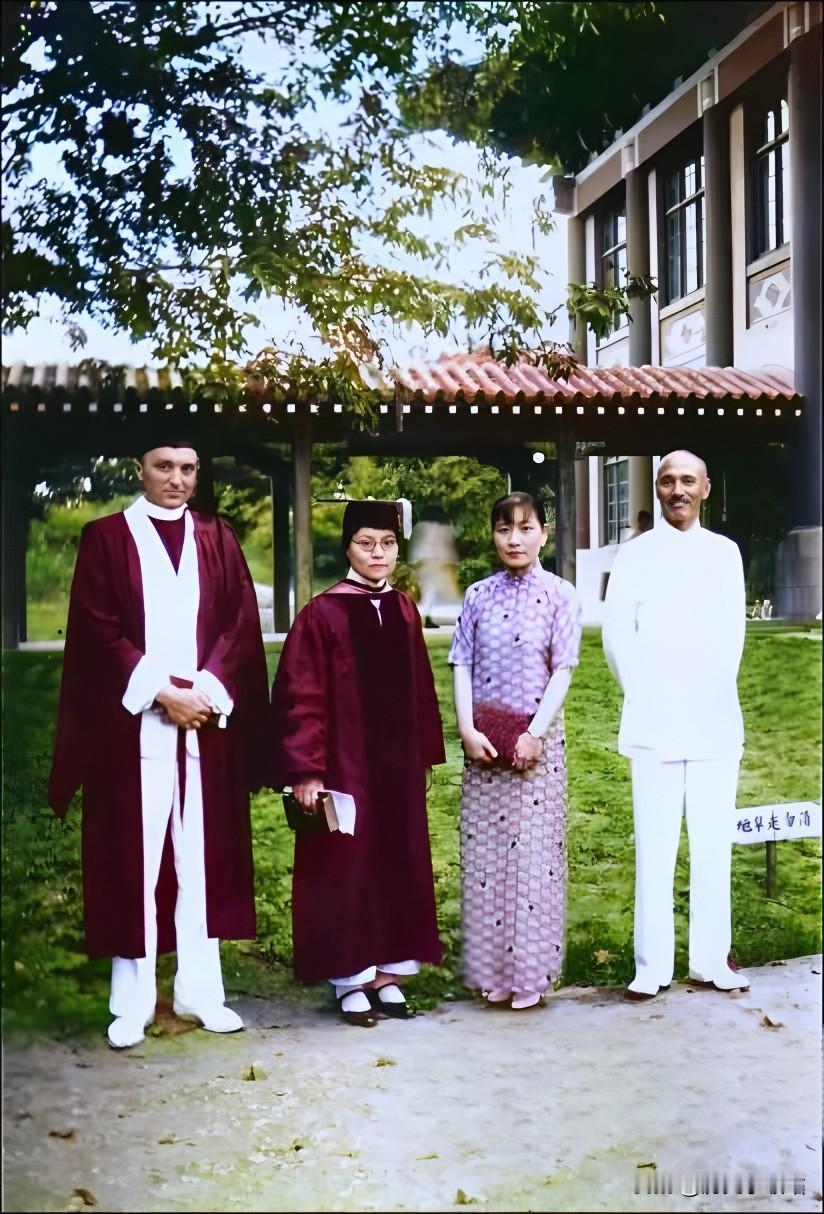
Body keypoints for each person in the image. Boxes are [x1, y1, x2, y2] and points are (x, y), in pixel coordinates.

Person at [48, 440, 270, 1048]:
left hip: (205, 725)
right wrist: (160, 692)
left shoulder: (217, 538)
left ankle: (203, 993)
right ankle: (133, 1001)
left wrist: (206, 690)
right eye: (164, 467)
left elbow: (239, 625)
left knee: (202, 857)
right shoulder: (107, 538)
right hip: (134, 728)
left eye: (188, 469)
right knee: (134, 859)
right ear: (140, 470)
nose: (177, 479)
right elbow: (97, 632)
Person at [269, 499, 445, 1027]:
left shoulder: (404, 608)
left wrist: (423, 756)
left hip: (395, 765)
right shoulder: (322, 613)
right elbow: (301, 695)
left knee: (397, 860)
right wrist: (306, 769)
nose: (378, 553)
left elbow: (420, 689)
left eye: (388, 544)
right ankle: (350, 980)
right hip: (345, 763)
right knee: (346, 867)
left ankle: (389, 974)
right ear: (348, 547)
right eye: (366, 543)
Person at [602, 450, 749, 1001]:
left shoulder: (724, 554)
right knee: (656, 846)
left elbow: (731, 636)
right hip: (653, 718)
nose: (678, 490)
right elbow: (618, 637)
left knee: (713, 845)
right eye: (668, 481)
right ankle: (651, 965)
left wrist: (704, 694)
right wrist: (646, 695)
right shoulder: (636, 555)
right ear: (657, 490)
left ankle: (712, 960)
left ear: (706, 488)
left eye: (689, 480)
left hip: (712, 717)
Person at [449, 492, 582, 1010]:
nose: (515, 539)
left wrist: (536, 732)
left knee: (531, 860)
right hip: (483, 744)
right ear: (493, 535)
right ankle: (491, 975)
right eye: (505, 529)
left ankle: (530, 977)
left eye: (526, 529)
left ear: (543, 533)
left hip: (535, 745)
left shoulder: (560, 595)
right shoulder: (478, 595)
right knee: (485, 858)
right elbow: (460, 662)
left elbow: (563, 669)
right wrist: (465, 729)